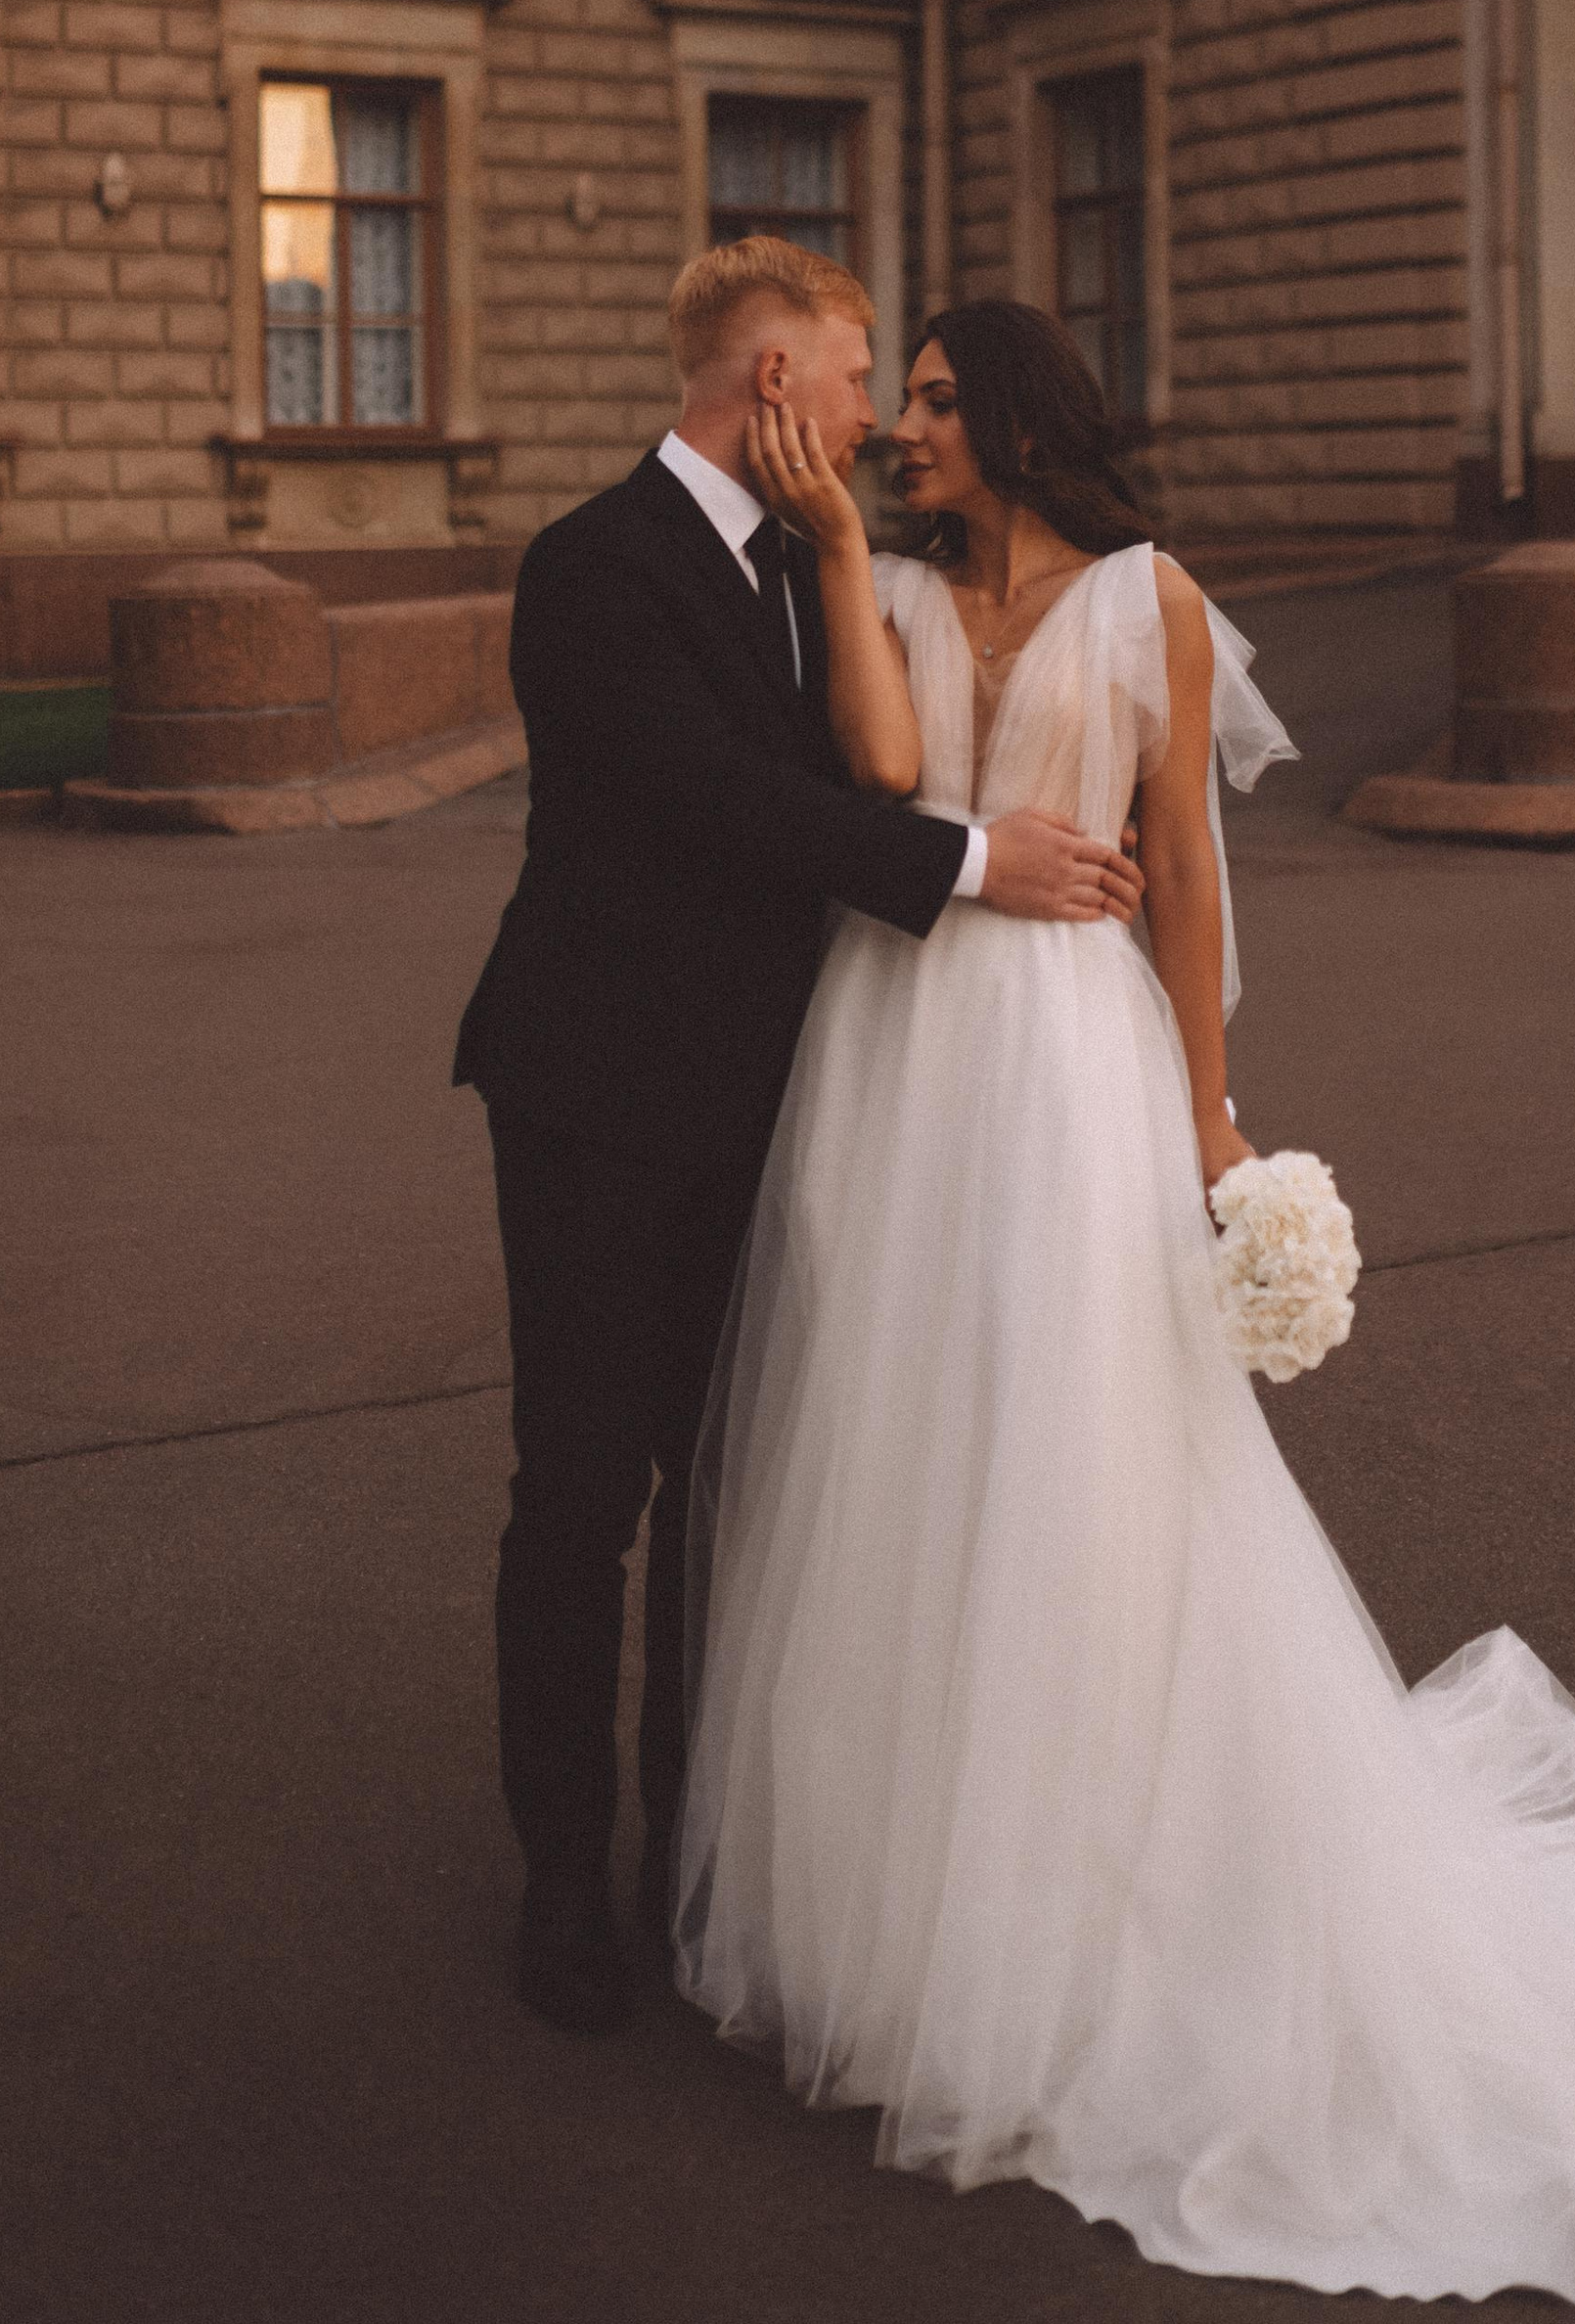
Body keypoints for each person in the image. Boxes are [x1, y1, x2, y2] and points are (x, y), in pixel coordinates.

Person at [673, 298, 1575, 2304]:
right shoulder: (898, 587)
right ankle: (917, 1918)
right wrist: (838, 552)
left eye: (929, 402)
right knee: (902, 1446)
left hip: (1073, 1072)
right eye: (893, 400)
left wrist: (1204, 1123)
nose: (902, 428)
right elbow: (886, 775)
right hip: (899, 1058)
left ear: (1010, 421)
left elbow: (1179, 870)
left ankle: (1096, 1896)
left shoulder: (1147, 601)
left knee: (1085, 1455)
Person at [453, 240, 1146, 2037]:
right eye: (854, 379)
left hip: (781, 1102)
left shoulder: (836, 563)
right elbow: (719, 804)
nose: (872, 418)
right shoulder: (590, 567)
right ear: (771, 382)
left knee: (731, 1487)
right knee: (582, 1493)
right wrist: (978, 863)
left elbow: (863, 753)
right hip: (601, 1101)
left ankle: (702, 1854)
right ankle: (563, 1887)